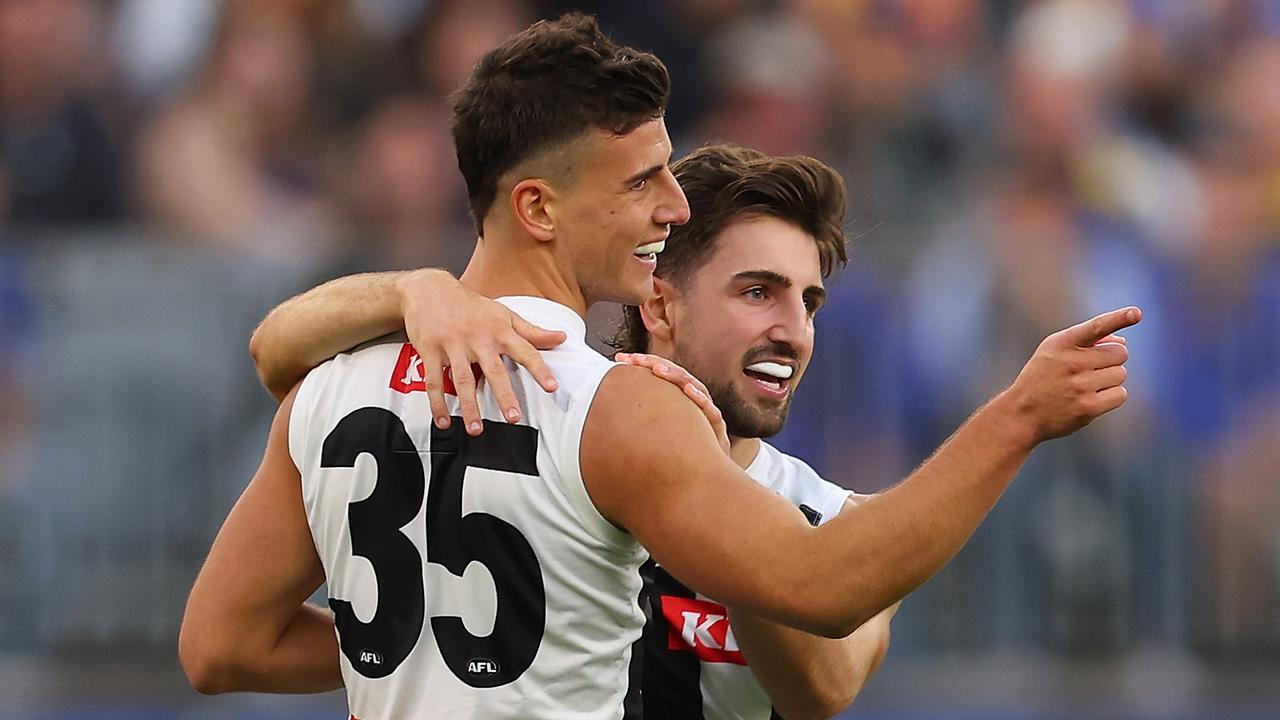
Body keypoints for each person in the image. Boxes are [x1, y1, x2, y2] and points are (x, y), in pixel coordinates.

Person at [180, 13, 1140, 719]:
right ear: (540, 210)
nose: (671, 206)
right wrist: (1018, 418)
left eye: (809, 301)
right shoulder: (615, 411)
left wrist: (422, 641)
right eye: (643, 181)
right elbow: (828, 585)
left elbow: (219, 645)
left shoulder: (327, 385)